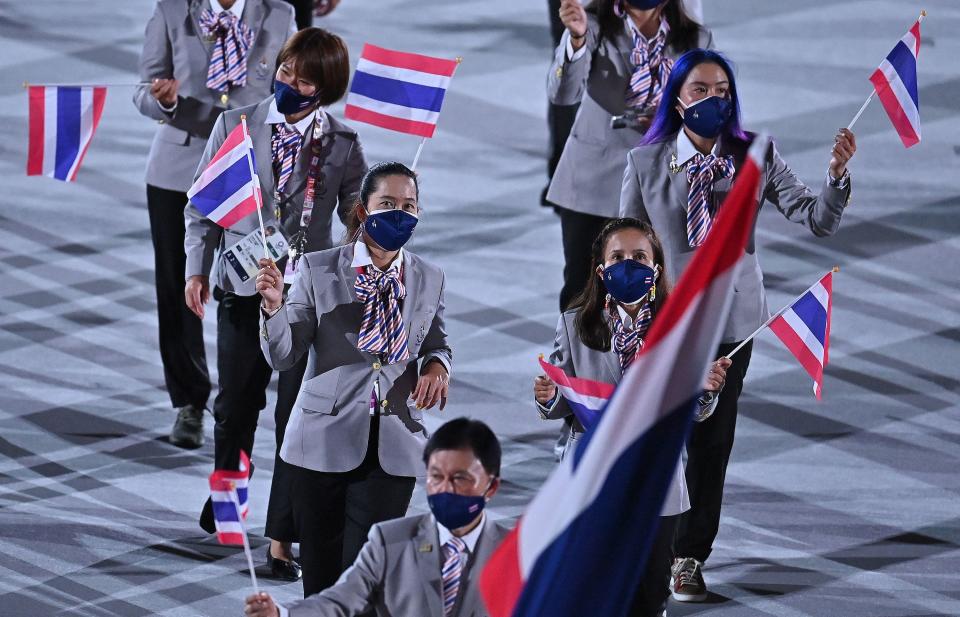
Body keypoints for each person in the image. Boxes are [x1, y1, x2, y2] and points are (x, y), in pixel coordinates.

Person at [619, 48, 856, 602]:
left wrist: (836, 177)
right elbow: (624, 246)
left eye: (721, 91)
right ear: (676, 99)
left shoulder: (756, 154)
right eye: (699, 91)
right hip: (665, 325)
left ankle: (687, 556)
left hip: (732, 325)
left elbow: (814, 218)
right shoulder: (645, 163)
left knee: (710, 441)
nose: (712, 100)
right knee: (655, 435)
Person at [184, 27, 367, 580]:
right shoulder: (234, 125)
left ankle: (282, 536)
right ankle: (228, 506)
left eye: (304, 80)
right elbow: (202, 205)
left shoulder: (343, 144)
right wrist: (195, 268)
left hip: (307, 299)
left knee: (298, 420)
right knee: (235, 408)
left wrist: (363, 217)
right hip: (243, 285)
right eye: (285, 71)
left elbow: (355, 207)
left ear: (325, 90)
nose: (290, 84)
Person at [253, 161, 453, 596]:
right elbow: (285, 355)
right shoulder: (319, 267)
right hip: (322, 441)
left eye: (408, 206)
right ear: (363, 211)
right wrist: (273, 309)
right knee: (323, 579)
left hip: (395, 444)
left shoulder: (429, 277)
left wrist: (438, 366)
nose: (399, 214)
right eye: (388, 204)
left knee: (370, 580)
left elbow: (436, 341)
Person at [533, 217, 729, 616]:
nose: (629, 264)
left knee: (647, 595)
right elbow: (562, 399)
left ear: (656, 268)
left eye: (640, 256)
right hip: (591, 480)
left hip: (655, 481)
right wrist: (549, 397)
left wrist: (706, 392)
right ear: (601, 270)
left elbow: (692, 411)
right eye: (618, 257)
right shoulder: (574, 324)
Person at [134, 0, 295, 448]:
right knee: (180, 285)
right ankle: (189, 401)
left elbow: (292, 87)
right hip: (178, 168)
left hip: (251, 173)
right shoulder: (172, 11)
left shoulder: (278, 13)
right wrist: (160, 99)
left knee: (251, 281)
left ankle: (246, 392)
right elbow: (142, 89)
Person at [243, 418, 505, 617]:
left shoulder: (519, 551)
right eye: (437, 477)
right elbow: (339, 601)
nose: (446, 488)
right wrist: (282, 613)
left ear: (491, 487)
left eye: (460, 478)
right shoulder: (390, 542)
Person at [546, 0, 712, 312]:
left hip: (659, 185)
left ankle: (642, 361)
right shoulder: (593, 25)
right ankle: (575, 361)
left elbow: (711, 112)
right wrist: (577, 39)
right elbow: (562, 94)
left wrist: (673, 122)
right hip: (592, 182)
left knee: (655, 295)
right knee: (583, 293)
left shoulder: (695, 38)